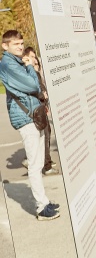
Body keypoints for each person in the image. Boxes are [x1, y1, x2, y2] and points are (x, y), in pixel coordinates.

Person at [0, 30, 60, 220]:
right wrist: (29, 67)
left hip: (33, 115)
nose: (20, 46)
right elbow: (33, 86)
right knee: (35, 165)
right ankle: (41, 207)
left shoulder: (16, 62)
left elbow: (34, 85)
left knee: (39, 161)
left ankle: (44, 200)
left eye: (21, 43)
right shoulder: (9, 64)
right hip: (26, 118)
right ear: (5, 46)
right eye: (15, 44)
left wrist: (28, 68)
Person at [22, 47, 57, 173]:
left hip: (41, 108)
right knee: (43, 135)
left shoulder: (34, 70)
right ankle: (44, 165)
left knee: (46, 133)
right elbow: (34, 89)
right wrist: (43, 95)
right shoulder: (28, 72)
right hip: (37, 109)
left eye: (35, 56)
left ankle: (45, 160)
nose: (35, 59)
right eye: (32, 56)